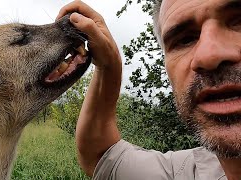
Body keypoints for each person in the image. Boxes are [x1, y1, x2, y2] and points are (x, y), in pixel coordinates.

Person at [56, 0, 241, 179]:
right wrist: (109, 66)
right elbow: (100, 156)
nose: (208, 56)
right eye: (185, 40)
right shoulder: (186, 172)